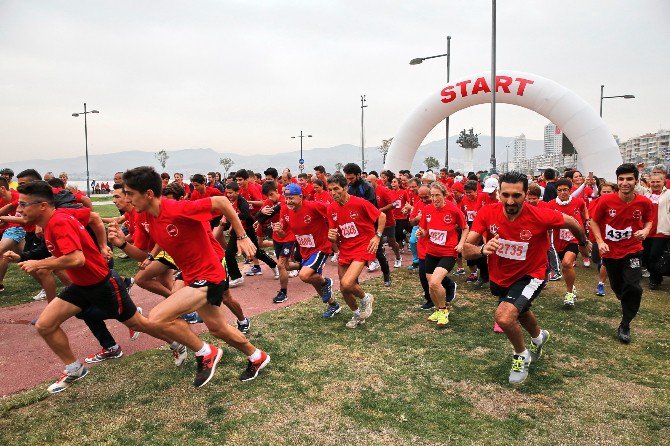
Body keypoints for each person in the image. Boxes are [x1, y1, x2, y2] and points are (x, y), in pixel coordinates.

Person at [114, 167, 271, 385]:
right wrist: (122, 244)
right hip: (192, 277)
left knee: (158, 316)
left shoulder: (178, 209)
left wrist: (242, 235)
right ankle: (257, 356)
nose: (128, 199)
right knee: (218, 329)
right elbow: (145, 256)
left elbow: (222, 202)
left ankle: (205, 353)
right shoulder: (149, 218)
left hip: (209, 275)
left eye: (130, 193)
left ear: (149, 193)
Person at [463, 171, 590, 385]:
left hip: (532, 274)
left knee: (504, 317)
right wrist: (483, 249)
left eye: (516, 195)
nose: (510, 201)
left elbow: (572, 222)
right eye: (505, 195)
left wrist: (583, 243)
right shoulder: (487, 213)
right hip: (500, 276)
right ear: (499, 193)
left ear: (526, 194)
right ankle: (539, 337)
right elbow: (466, 250)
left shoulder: (540, 215)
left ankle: (521, 355)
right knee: (520, 312)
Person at [590, 163, 653, 343]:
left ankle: (625, 324)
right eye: (621, 179)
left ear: (636, 180)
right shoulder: (605, 201)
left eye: (629, 179)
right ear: (617, 181)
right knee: (619, 288)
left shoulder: (643, 202)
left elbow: (649, 221)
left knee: (634, 287)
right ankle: (624, 298)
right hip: (610, 252)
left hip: (633, 250)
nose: (625, 183)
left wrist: (646, 231)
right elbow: (594, 222)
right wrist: (600, 241)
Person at [326, 174, 384, 328]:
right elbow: (335, 235)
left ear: (345, 188)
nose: (333, 193)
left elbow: (382, 216)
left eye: (336, 189)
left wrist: (377, 236)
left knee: (347, 283)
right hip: (345, 248)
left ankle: (366, 298)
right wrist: (332, 236)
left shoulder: (359, 203)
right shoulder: (331, 208)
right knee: (343, 287)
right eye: (330, 190)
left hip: (362, 246)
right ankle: (358, 315)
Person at [276, 183, 341, 318]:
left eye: (291, 198)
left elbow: (332, 211)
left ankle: (326, 282)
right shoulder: (285, 210)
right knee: (313, 280)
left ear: (300, 197)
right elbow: (283, 234)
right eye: (286, 198)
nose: (288, 201)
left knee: (304, 275)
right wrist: (279, 231)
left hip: (320, 247)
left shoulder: (313, 206)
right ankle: (333, 305)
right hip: (305, 250)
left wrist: (333, 229)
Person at [416, 182, 467, 326]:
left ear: (444, 195)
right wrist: (421, 233)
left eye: (437, 195)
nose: (434, 198)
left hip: (448, 252)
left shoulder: (453, 209)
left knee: (435, 282)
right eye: (432, 195)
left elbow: (465, 228)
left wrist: (461, 243)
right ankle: (438, 309)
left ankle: (444, 310)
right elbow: (425, 231)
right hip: (431, 251)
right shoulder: (427, 210)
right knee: (431, 284)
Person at [342, 163, 391, 286]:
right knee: (353, 255)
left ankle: (386, 275)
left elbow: (369, 209)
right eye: (347, 178)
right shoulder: (347, 187)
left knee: (378, 252)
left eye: (351, 178)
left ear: (358, 175)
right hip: (354, 225)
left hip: (370, 224)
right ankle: (355, 282)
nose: (349, 181)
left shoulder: (367, 187)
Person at [546, 178, 588, 307]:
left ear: (570, 191)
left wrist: (586, 223)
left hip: (574, 239)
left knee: (567, 262)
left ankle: (569, 294)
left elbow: (584, 213)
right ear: (556, 191)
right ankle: (571, 285)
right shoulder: (551, 205)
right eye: (559, 190)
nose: (562, 193)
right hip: (559, 241)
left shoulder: (578, 202)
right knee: (565, 268)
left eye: (565, 190)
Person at [642, 173, 670, 290]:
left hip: (661, 231)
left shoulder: (668, 194)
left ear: (664, 182)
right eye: (653, 182)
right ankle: (655, 276)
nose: (655, 184)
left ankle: (655, 279)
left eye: (658, 182)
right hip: (646, 231)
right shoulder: (646, 193)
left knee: (654, 256)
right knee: (646, 256)